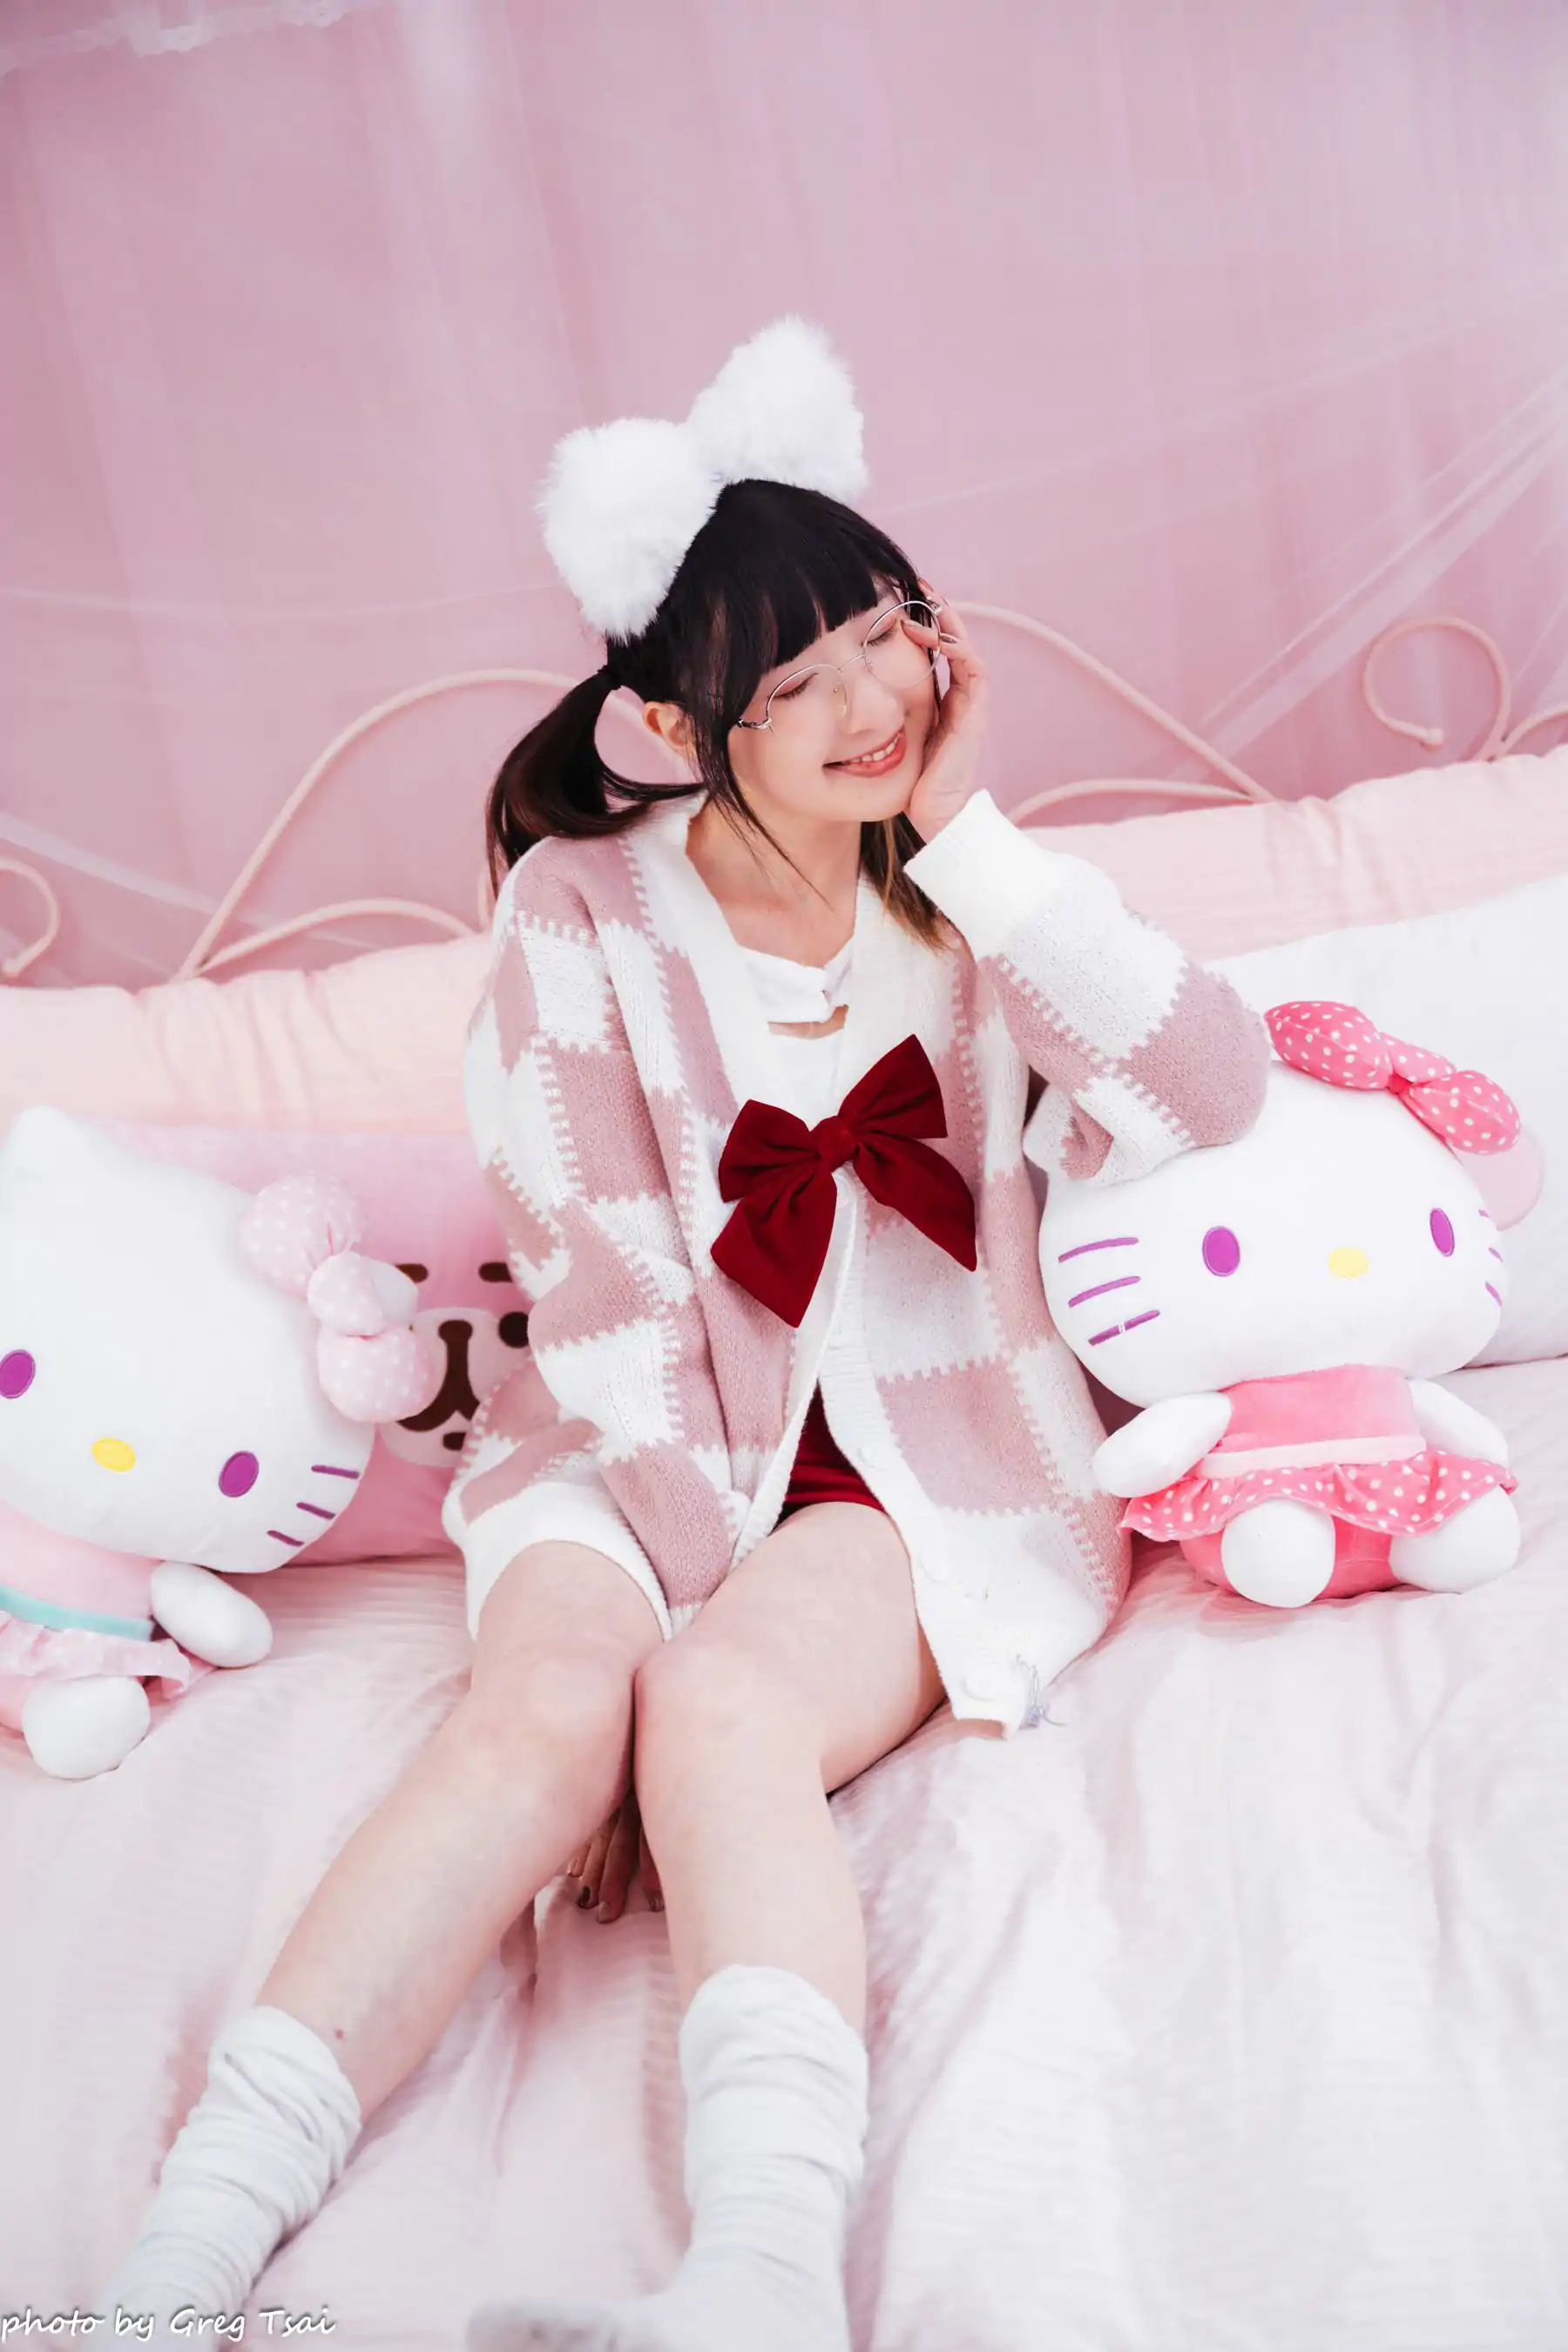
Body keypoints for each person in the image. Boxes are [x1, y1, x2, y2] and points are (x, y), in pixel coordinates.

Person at [102, 317, 1269, 2351]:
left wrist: (971, 836)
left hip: (936, 1466)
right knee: (540, 1721)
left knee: (724, 1716)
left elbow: (1210, 1090)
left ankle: (761, 2283)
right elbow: (607, 1285)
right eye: (793, 682)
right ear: (671, 721)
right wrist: (652, 1638)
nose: (867, 705)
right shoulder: (579, 910)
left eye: (884, 638)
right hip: (627, 1442)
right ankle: (178, 2262)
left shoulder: (978, 893)